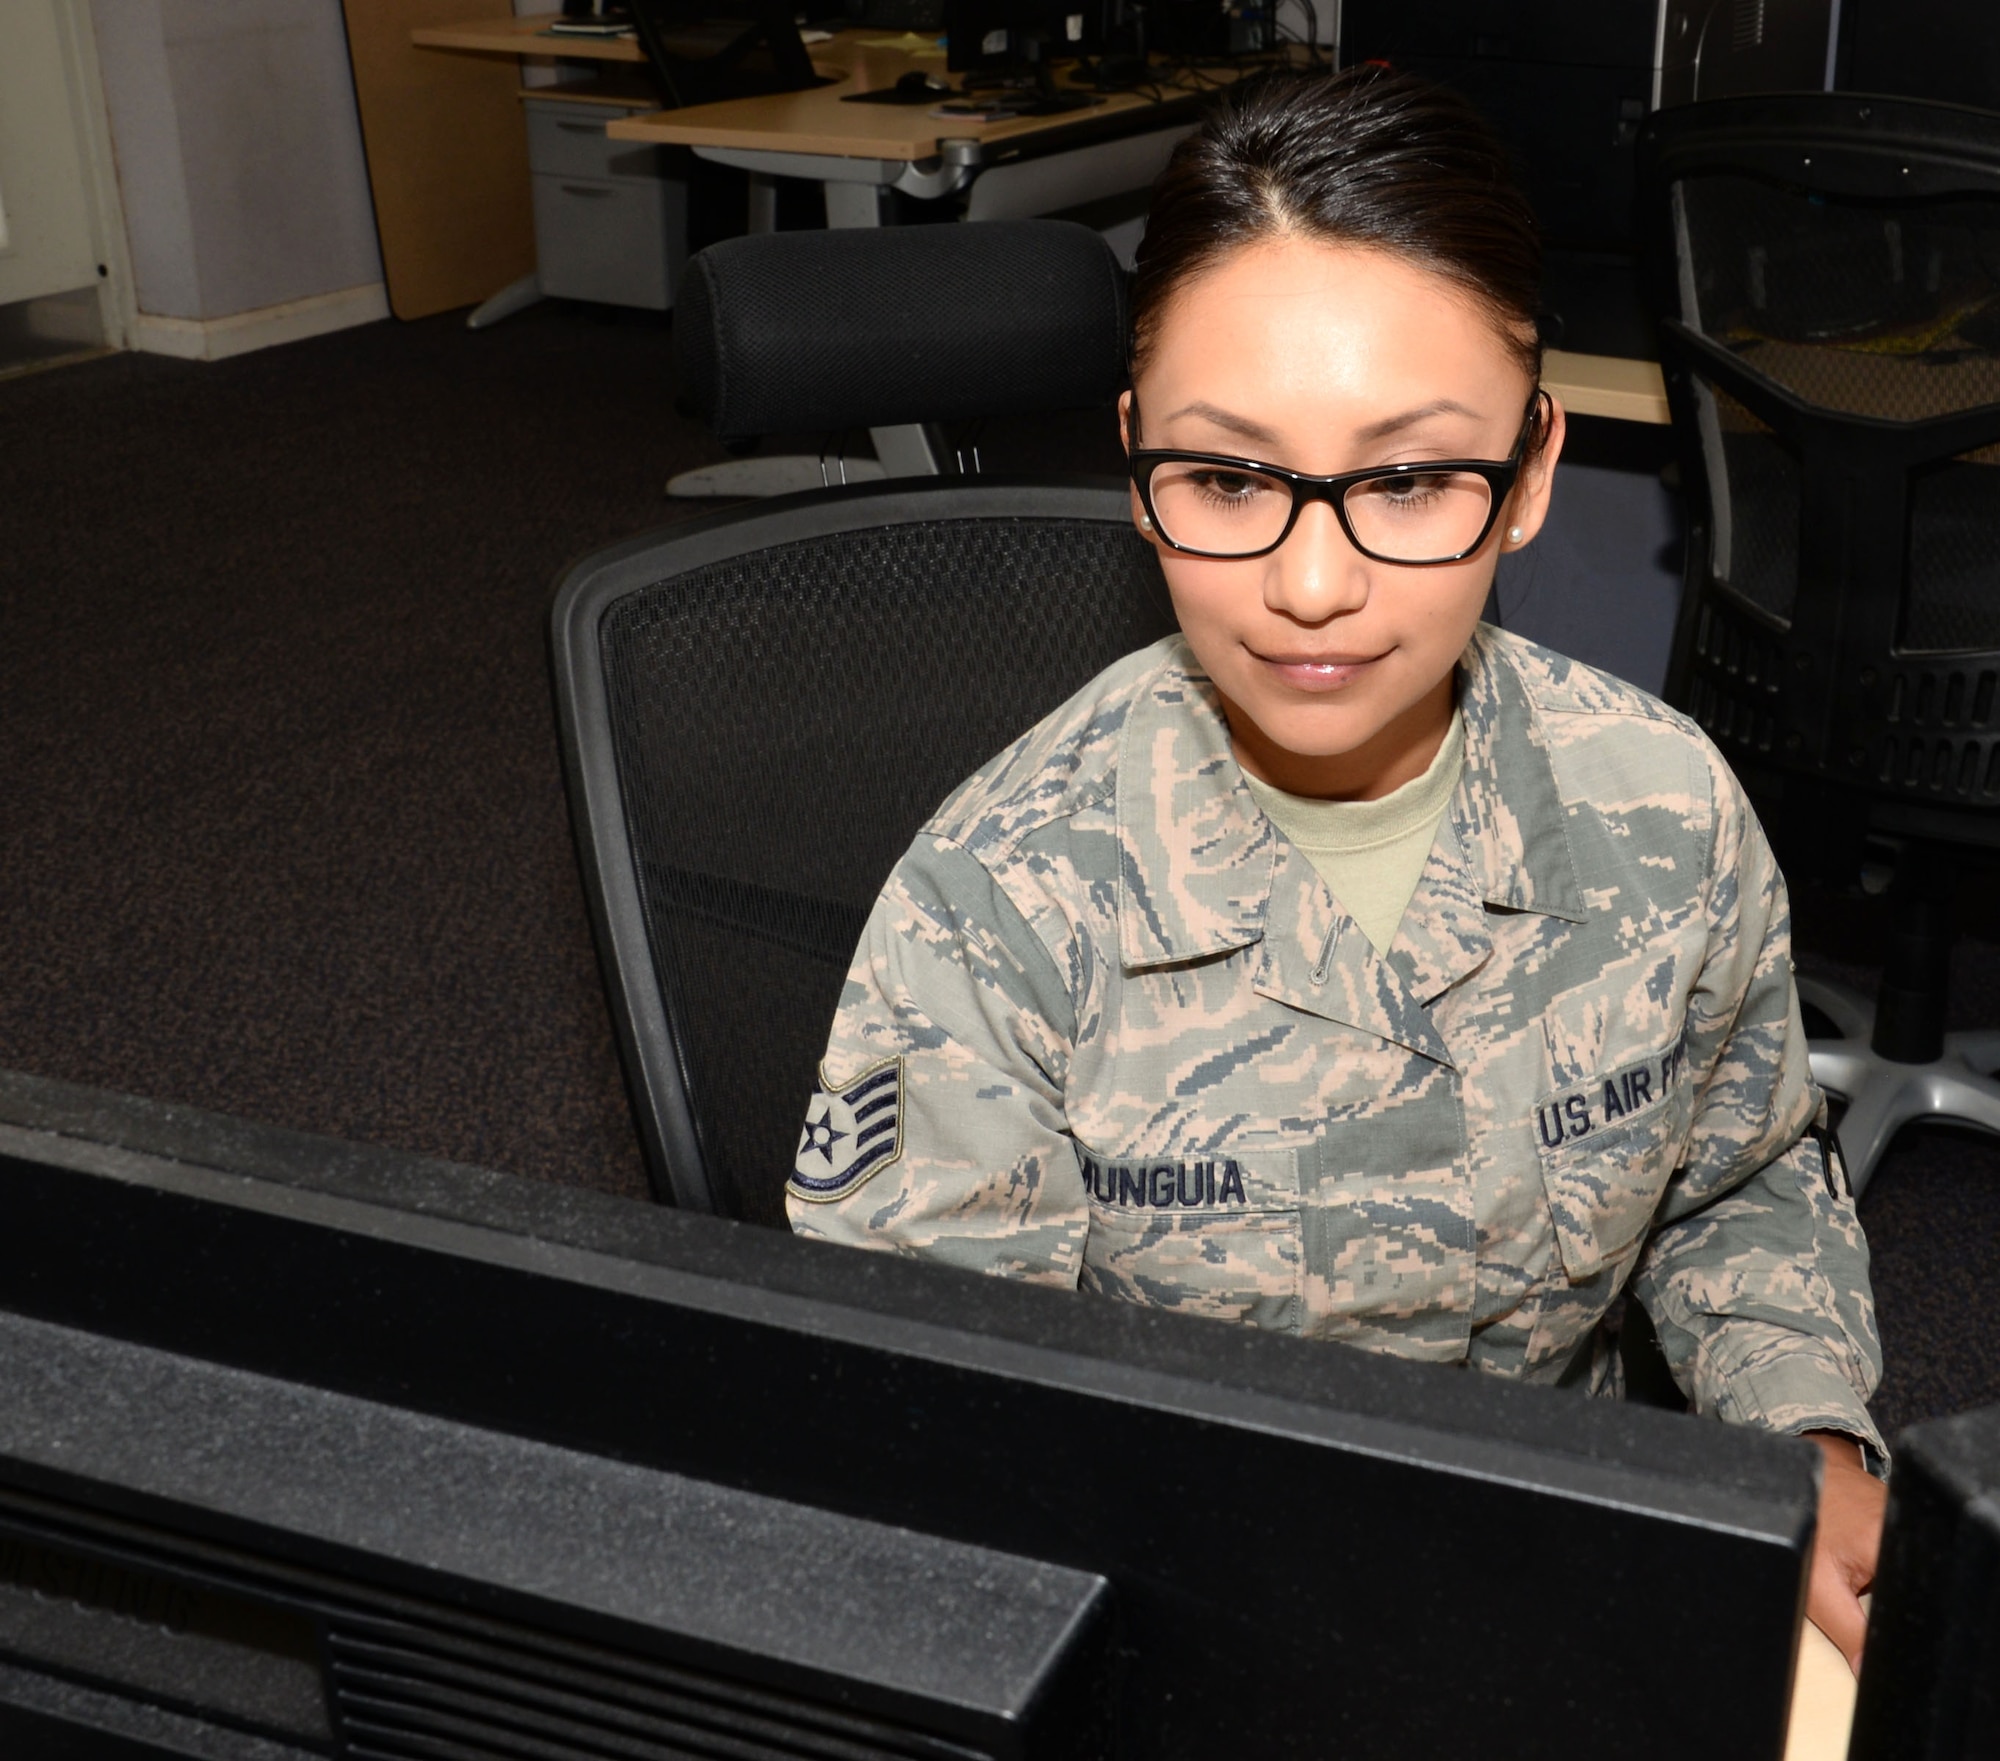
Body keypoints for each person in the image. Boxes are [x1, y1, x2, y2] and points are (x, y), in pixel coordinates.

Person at [785, 66, 1886, 1671]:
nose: (1312, 584)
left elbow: (1741, 1174)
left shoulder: (1664, 810)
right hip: (1186, 1627)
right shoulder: (999, 903)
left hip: (1576, 1564)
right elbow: (930, 1454)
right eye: (1228, 478)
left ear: (1529, 475)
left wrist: (1810, 1434)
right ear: (1135, 465)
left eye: (1410, 477)